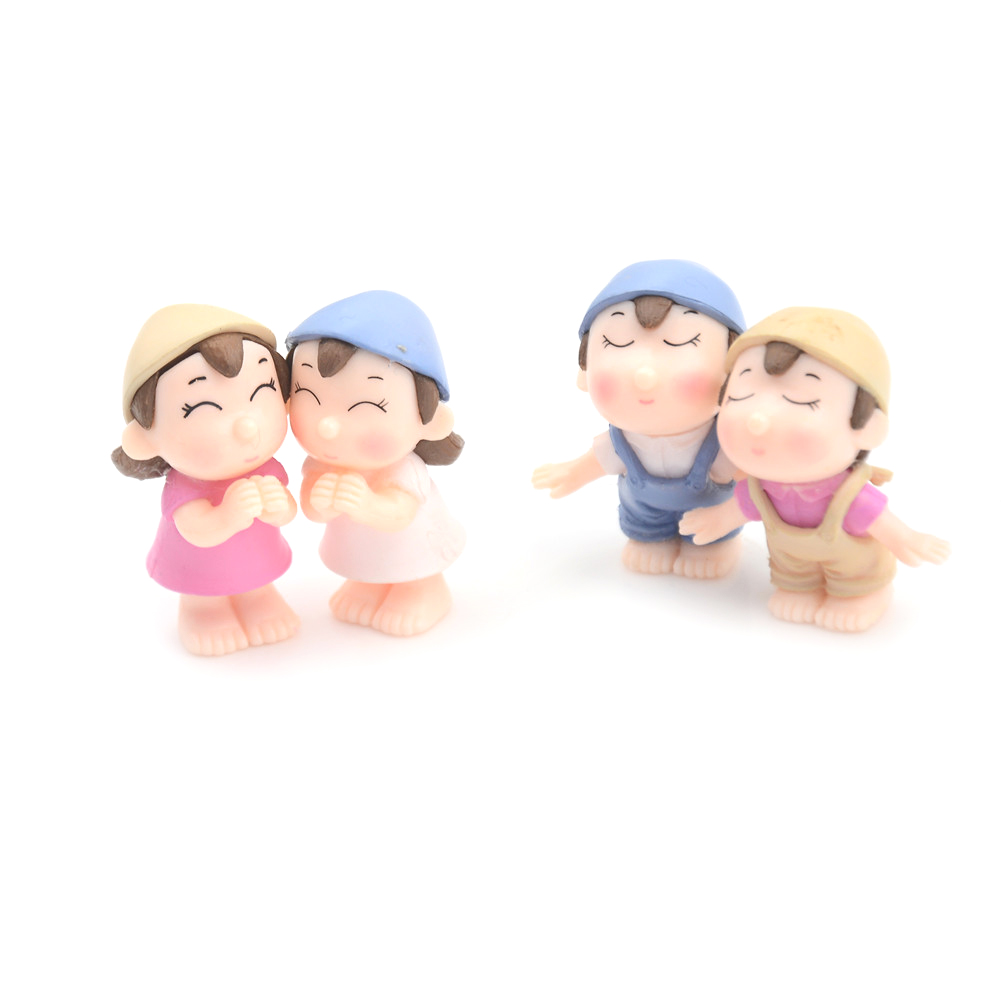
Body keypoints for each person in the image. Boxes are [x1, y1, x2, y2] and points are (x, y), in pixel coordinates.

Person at [680, 306, 950, 631]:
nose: (757, 419)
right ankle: (799, 589)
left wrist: (908, 540)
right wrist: (717, 519)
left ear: (868, 427)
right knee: (793, 576)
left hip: (854, 567)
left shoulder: (847, 494)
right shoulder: (760, 487)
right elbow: (742, 507)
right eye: (742, 396)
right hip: (792, 564)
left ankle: (863, 596)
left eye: (802, 402)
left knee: (855, 578)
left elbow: (880, 520)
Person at [532, 260, 746, 577]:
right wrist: (573, 472)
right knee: (645, 527)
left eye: (679, 342)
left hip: (707, 513)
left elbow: (755, 487)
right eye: (617, 343)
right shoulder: (622, 440)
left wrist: (730, 516)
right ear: (584, 372)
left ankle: (715, 546)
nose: (644, 375)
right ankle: (651, 538)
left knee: (707, 533)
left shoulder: (726, 442)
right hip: (644, 512)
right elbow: (600, 459)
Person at [113, 304, 299, 655]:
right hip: (197, 566)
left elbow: (287, 511)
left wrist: (279, 506)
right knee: (204, 593)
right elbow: (195, 529)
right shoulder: (186, 484)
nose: (247, 427)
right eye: (202, 408)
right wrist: (226, 516)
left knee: (257, 586)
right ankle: (204, 613)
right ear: (144, 439)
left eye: (263, 391)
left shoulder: (265, 468)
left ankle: (259, 600)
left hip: (256, 557)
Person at [286, 291, 465, 636]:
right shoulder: (321, 464)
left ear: (430, 421)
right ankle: (368, 587)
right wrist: (321, 501)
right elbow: (312, 510)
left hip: (411, 546)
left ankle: (424, 594)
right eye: (308, 396)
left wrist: (366, 505)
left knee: (411, 569)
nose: (328, 426)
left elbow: (400, 514)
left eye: (367, 406)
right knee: (366, 567)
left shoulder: (402, 469)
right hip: (361, 550)